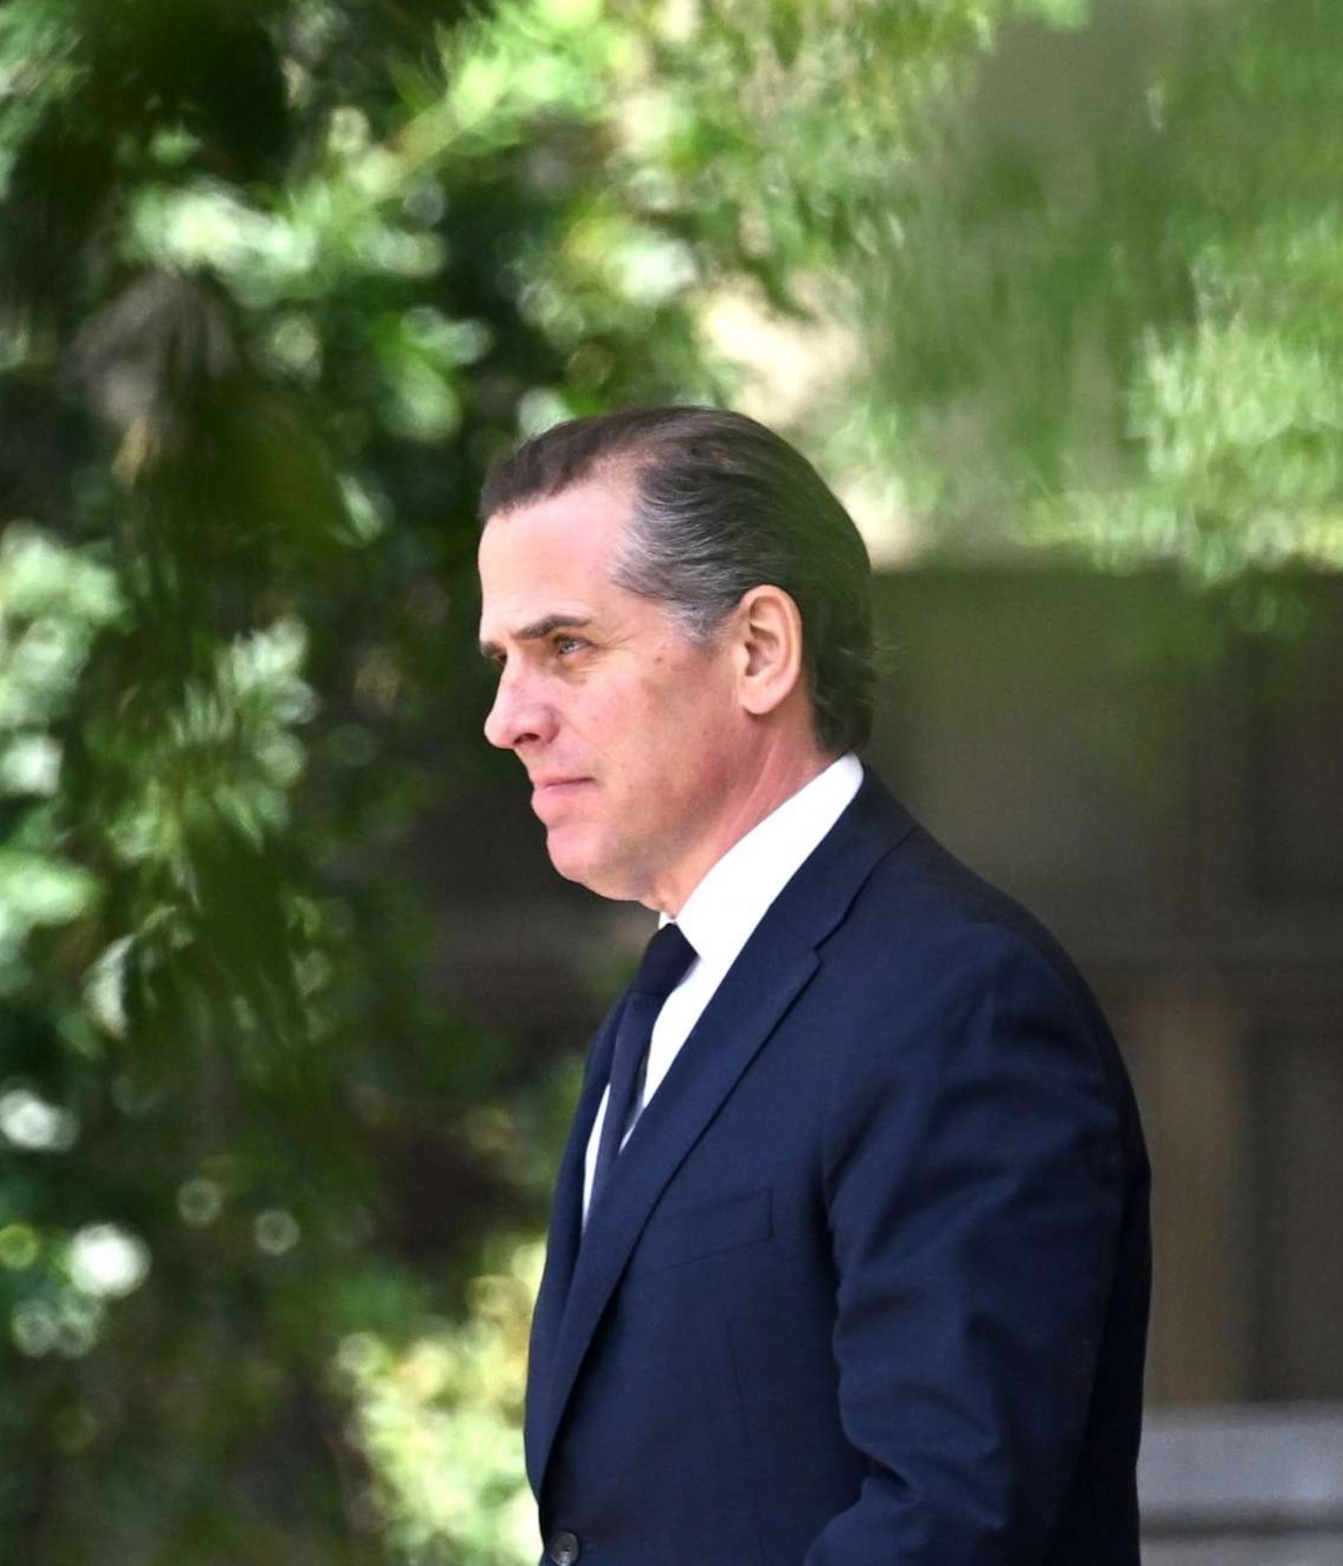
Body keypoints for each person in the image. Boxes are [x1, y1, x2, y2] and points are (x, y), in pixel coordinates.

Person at [474, 406, 1150, 1566]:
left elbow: (948, 1524)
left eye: (567, 647)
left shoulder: (959, 1001)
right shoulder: (671, 997)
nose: (508, 719)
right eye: (505, 662)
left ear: (758, 651)